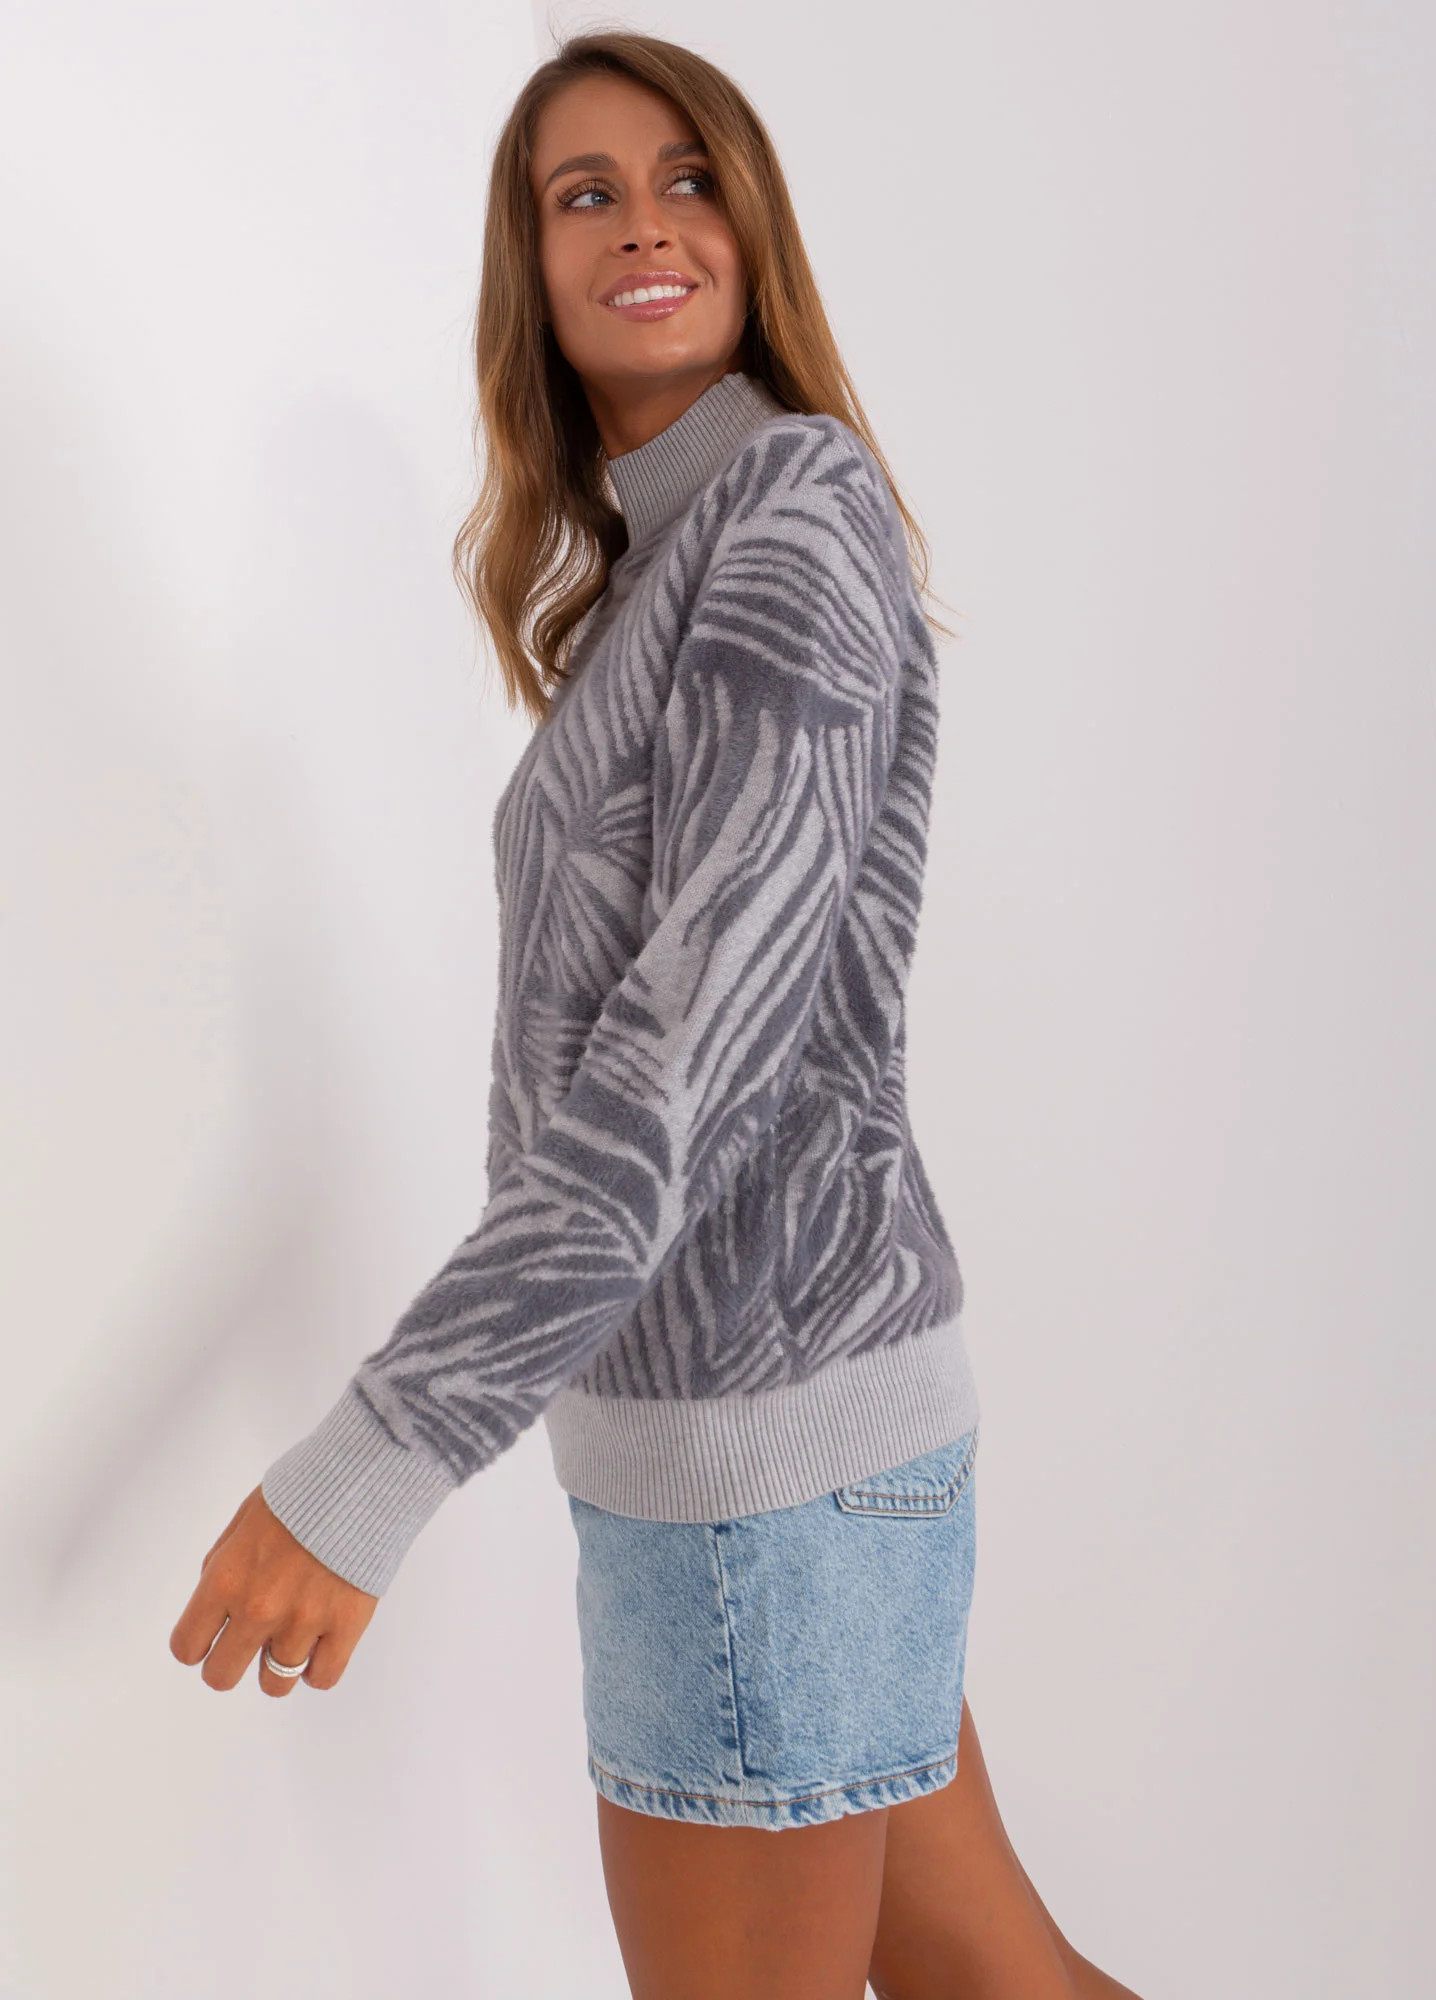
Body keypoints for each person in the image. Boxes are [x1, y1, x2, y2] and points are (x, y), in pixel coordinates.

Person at [169, 32, 1144, 2000]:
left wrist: (372, 1461)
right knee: (1001, 1981)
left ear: (754, 226)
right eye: (584, 194)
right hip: (797, 1448)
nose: (643, 224)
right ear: (529, 269)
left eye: (689, 177)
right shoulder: (685, 556)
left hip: (765, 1478)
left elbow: (687, 1063)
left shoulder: (786, 517)